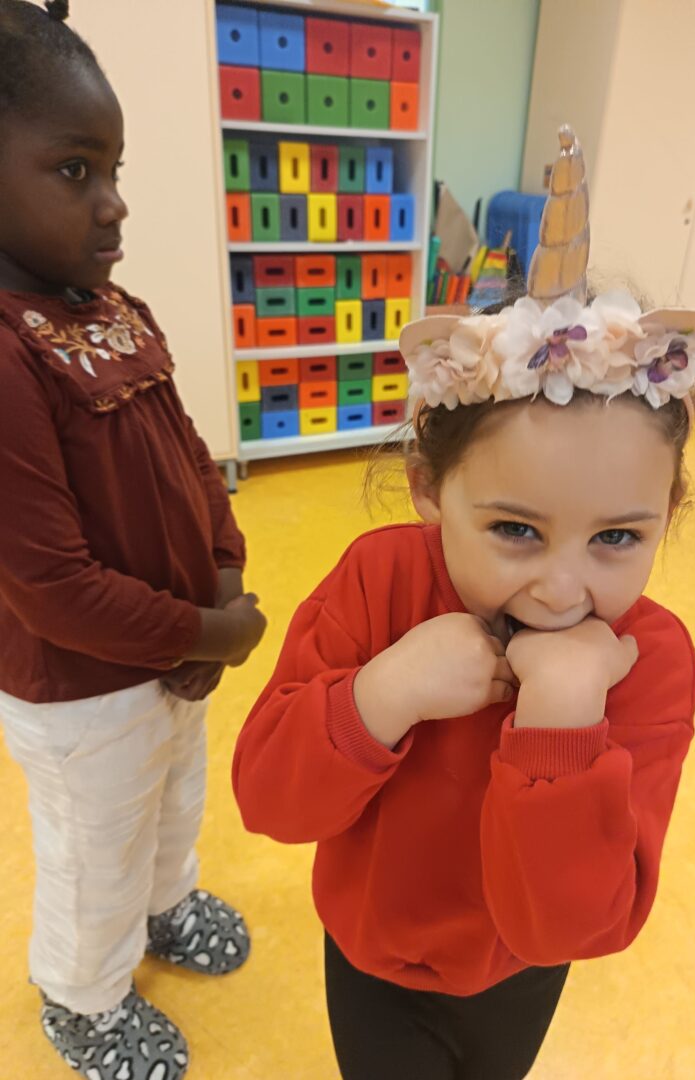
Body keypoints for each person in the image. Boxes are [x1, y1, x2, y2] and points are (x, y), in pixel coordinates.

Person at [233, 126, 695, 1080]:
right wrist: (380, 695)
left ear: (669, 511)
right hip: (373, 959)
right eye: (516, 529)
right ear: (428, 488)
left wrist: (564, 718)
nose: (563, 589)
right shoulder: (378, 581)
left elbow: (579, 926)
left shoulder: (650, 659)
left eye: (618, 538)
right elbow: (268, 801)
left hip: (519, 970)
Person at [0, 3, 266, 1078]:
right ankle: (84, 998)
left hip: (173, 657)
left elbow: (191, 455)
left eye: (113, 169)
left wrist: (225, 577)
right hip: (82, 691)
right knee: (94, 850)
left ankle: (167, 904)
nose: (112, 202)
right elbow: (52, 587)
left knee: (172, 799)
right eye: (74, 170)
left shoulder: (114, 307)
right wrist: (207, 632)